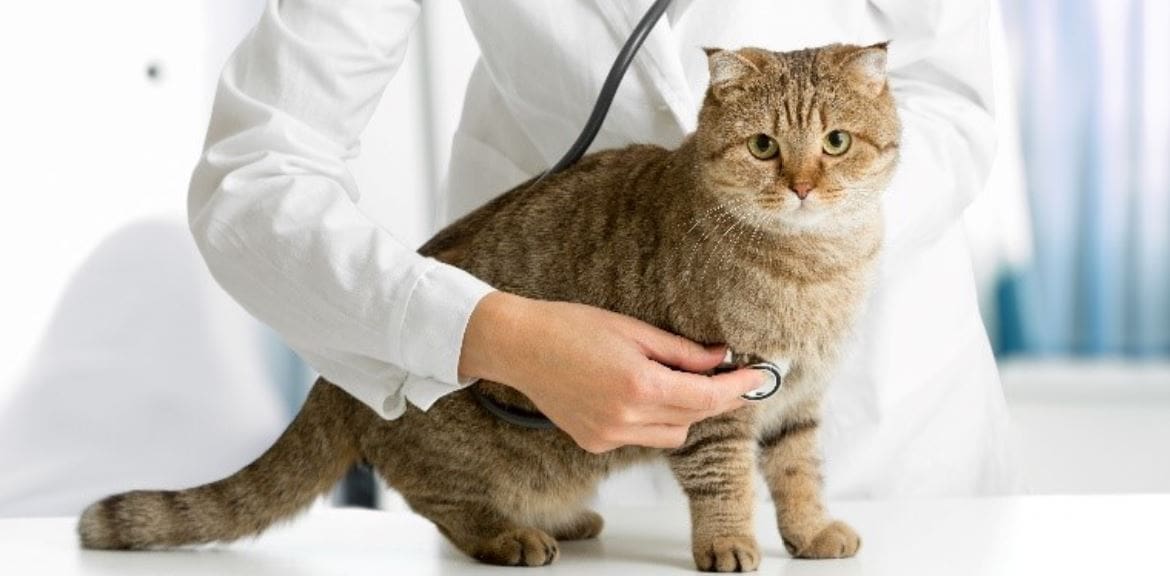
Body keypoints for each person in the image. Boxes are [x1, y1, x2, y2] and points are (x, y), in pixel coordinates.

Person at [189, 0, 1019, 496]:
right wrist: (492, 333)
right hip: (550, 430)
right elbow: (255, 176)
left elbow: (952, 96)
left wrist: (795, 248)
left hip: (885, 435)